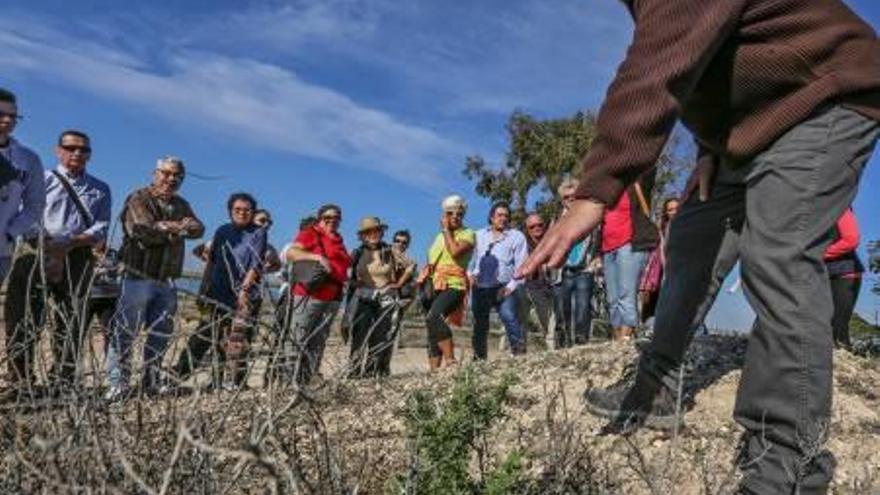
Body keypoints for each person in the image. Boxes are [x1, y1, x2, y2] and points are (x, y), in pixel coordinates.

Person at [518, 1, 880, 492]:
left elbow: (656, 72)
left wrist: (595, 191)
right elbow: (709, 64)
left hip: (823, 98)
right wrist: (712, 150)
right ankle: (657, 389)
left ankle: (789, 460)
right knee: (691, 238)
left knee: (779, 254)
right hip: (748, 131)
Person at [5, 129, 111, 391]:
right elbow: (21, 215)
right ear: (58, 150)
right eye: (71, 147)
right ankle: (21, 383)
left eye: (83, 149)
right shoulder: (39, 179)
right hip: (35, 252)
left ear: (90, 155)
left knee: (72, 320)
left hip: (78, 257)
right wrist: (49, 247)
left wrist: (69, 245)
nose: (77, 153)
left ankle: (61, 382)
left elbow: (100, 227)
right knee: (23, 319)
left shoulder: (100, 189)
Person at [106, 156, 204, 400]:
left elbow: (198, 229)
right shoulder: (138, 198)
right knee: (125, 332)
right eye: (166, 173)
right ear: (155, 173)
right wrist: (176, 229)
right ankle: (118, 384)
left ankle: (151, 380)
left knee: (160, 334)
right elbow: (142, 230)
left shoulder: (182, 203)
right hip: (136, 276)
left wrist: (167, 227)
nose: (171, 179)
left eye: (177, 176)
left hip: (166, 280)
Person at [174, 193, 266, 389]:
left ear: (253, 212)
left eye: (247, 210)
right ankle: (179, 376)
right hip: (217, 291)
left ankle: (231, 382)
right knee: (205, 335)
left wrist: (244, 290)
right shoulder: (222, 230)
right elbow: (212, 261)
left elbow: (255, 264)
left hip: (241, 294)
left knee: (237, 341)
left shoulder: (258, 232)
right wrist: (203, 288)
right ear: (230, 211)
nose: (242, 213)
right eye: (237, 210)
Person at [0, 88, 46, 399]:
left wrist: (9, 231)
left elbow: (34, 206)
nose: (6, 121)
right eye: (1, 114)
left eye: (12, 116)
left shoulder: (27, 160)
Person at [280, 204, 350, 385]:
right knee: (297, 337)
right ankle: (289, 381)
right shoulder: (311, 233)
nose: (332, 221)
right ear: (320, 218)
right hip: (309, 295)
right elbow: (291, 252)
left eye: (336, 218)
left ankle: (310, 377)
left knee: (319, 340)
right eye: (327, 217)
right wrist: (317, 257)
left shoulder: (338, 240)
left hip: (333, 298)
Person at [598, 170, 658, 341]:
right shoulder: (605, 194)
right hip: (607, 248)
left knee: (626, 292)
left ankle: (626, 336)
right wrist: (597, 252)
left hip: (630, 244)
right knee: (612, 298)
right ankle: (617, 338)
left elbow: (649, 165)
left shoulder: (637, 182)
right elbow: (600, 225)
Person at [416, 195, 474, 370]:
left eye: (459, 214)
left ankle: (451, 362)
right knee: (431, 326)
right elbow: (431, 258)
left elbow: (455, 252)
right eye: (450, 213)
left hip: (454, 284)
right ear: (444, 215)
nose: (455, 216)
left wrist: (447, 231)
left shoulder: (468, 234)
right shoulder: (439, 237)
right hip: (433, 285)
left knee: (434, 317)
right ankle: (434, 371)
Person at [346, 217, 407, 378]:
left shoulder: (390, 250)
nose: (374, 234)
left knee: (380, 335)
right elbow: (346, 275)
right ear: (363, 235)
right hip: (363, 297)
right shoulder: (357, 252)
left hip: (386, 298)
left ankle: (371, 372)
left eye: (377, 230)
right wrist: (355, 283)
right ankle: (353, 371)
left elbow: (410, 264)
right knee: (360, 334)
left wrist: (398, 283)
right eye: (369, 231)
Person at [468, 201, 528, 358]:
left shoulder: (516, 237)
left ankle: (519, 353)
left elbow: (521, 264)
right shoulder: (478, 235)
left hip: (503, 286)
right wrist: (470, 275)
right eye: (499, 215)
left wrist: (512, 286)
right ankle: (479, 358)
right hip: (480, 286)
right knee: (480, 323)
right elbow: (471, 259)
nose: (503, 218)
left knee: (509, 317)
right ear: (491, 217)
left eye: (506, 216)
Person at [552, 179, 600, 348]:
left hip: (584, 269)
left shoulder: (591, 216)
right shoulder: (557, 219)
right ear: (562, 199)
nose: (570, 200)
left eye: (574, 196)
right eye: (566, 197)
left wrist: (597, 260)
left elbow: (598, 240)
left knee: (582, 310)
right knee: (561, 313)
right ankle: (561, 348)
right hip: (562, 271)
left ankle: (581, 347)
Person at [825, 208, 865, 350]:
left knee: (838, 327)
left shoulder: (841, 207)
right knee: (820, 326)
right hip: (820, 274)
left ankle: (844, 361)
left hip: (845, 273)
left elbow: (851, 239)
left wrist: (821, 254)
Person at [517, 213, 556, 349]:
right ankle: (515, 354)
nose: (536, 228)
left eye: (540, 225)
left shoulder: (552, 243)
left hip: (546, 290)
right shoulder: (521, 246)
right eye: (532, 227)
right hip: (525, 288)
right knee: (518, 323)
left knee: (549, 326)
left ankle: (553, 355)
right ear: (527, 229)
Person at [638, 198, 681, 322]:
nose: (673, 212)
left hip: (682, 268)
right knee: (660, 301)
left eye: (676, 209)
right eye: (670, 210)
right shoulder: (662, 229)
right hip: (662, 270)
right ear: (666, 213)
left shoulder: (689, 227)